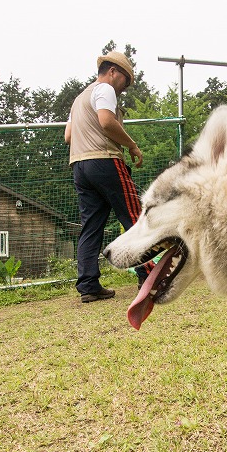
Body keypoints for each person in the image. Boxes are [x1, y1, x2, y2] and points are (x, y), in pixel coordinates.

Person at [64, 51, 149, 303]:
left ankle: (88, 285)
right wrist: (132, 145)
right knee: (135, 216)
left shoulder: (79, 98)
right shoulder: (105, 89)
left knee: (91, 226)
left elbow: (68, 137)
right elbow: (106, 121)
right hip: (105, 160)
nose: (125, 88)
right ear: (113, 72)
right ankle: (148, 276)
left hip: (79, 165)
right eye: (126, 80)